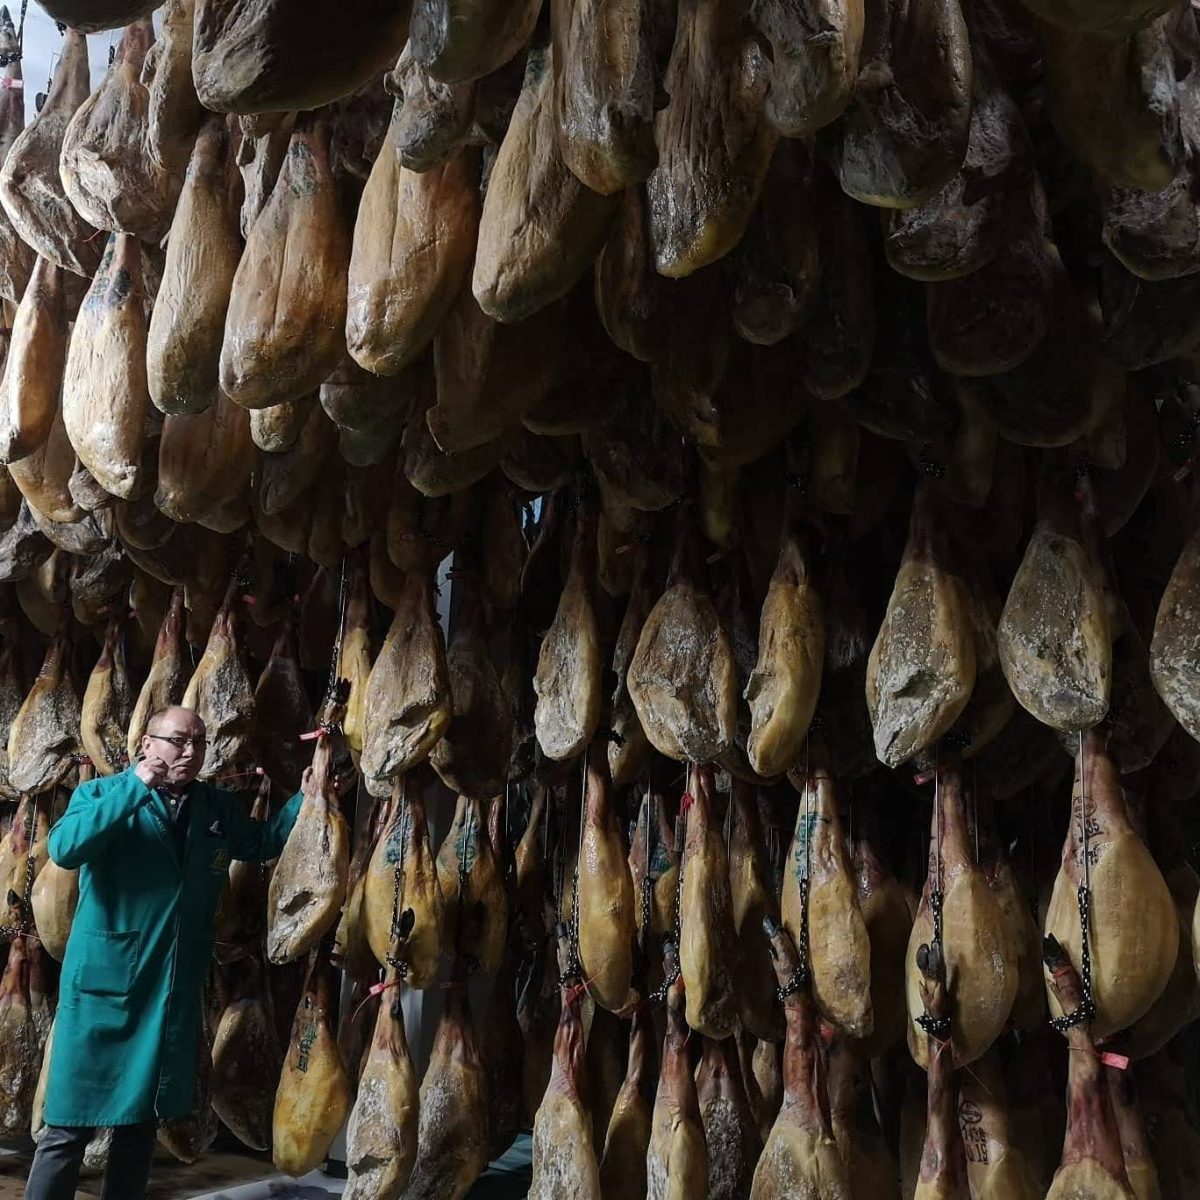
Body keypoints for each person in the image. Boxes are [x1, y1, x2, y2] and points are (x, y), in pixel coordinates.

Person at [24, 706, 304, 1200]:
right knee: (67, 1127)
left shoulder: (216, 807)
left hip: (170, 989)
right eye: (178, 740)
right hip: (102, 992)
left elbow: (262, 842)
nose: (191, 751)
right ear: (147, 743)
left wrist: (311, 792)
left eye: (199, 741)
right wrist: (137, 785)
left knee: (140, 1127)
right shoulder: (100, 793)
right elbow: (65, 848)